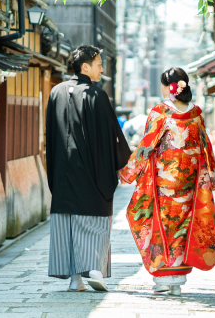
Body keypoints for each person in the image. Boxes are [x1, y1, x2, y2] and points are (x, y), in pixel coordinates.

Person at [119, 67, 215, 296]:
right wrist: (211, 174)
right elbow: (206, 147)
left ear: (169, 87)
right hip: (189, 182)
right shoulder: (196, 114)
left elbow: (146, 145)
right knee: (184, 225)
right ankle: (178, 279)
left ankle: (165, 278)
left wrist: (128, 172)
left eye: (164, 85)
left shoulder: (160, 112)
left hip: (164, 181)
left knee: (162, 224)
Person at [45, 45, 132, 292]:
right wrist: (121, 164)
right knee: (93, 223)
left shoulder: (56, 92)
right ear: (85, 67)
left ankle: (75, 280)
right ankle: (94, 268)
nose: (102, 68)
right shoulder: (96, 95)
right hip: (91, 172)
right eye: (98, 63)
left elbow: (50, 136)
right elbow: (111, 136)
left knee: (68, 224)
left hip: (62, 172)